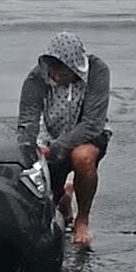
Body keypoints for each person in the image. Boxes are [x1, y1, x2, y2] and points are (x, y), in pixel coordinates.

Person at [16, 31, 111, 249]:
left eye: (63, 71)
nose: (57, 76)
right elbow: (27, 122)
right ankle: (64, 198)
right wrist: (33, 151)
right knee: (47, 201)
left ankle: (82, 220)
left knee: (83, 158)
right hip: (50, 139)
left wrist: (58, 148)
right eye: (53, 71)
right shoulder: (36, 79)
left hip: (89, 137)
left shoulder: (98, 71)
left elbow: (92, 124)